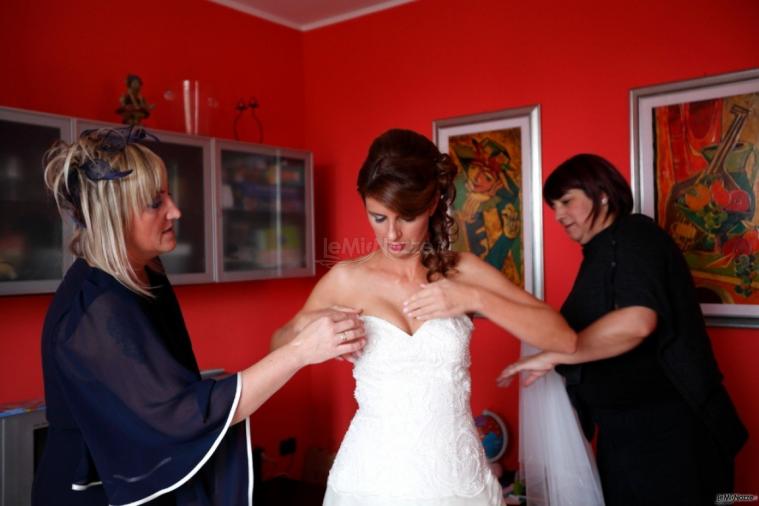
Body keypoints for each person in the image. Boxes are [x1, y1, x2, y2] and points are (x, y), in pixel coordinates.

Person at [32, 126, 366, 506]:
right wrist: (301, 352)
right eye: (155, 203)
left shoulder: (145, 271)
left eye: (168, 195)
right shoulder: (95, 310)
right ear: (116, 215)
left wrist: (301, 334)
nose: (175, 210)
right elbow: (183, 414)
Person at [271, 129, 577, 506]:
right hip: (368, 481)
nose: (393, 234)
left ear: (433, 204)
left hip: (458, 483)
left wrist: (474, 297)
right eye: (379, 217)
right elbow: (279, 345)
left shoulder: (463, 271)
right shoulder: (346, 280)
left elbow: (564, 340)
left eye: (407, 216)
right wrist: (311, 329)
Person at [498, 154, 748, 505]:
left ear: (601, 194)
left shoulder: (635, 235)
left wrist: (558, 354)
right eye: (554, 206)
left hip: (674, 440)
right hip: (625, 439)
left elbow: (637, 321)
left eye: (567, 201)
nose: (559, 215)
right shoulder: (599, 254)